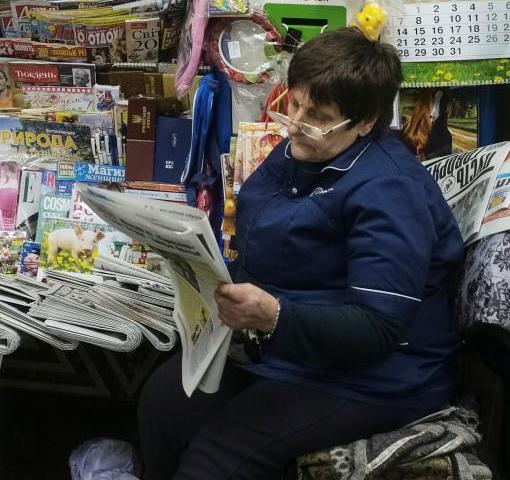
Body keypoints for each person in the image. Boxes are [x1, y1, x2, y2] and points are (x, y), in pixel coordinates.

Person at [137, 27, 465, 479]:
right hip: (292, 348)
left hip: (379, 375)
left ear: (367, 121)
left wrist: (274, 316)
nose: (295, 123)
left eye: (318, 115)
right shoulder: (306, 149)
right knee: (164, 402)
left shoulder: (391, 189)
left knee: (222, 454)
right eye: (294, 103)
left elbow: (377, 326)